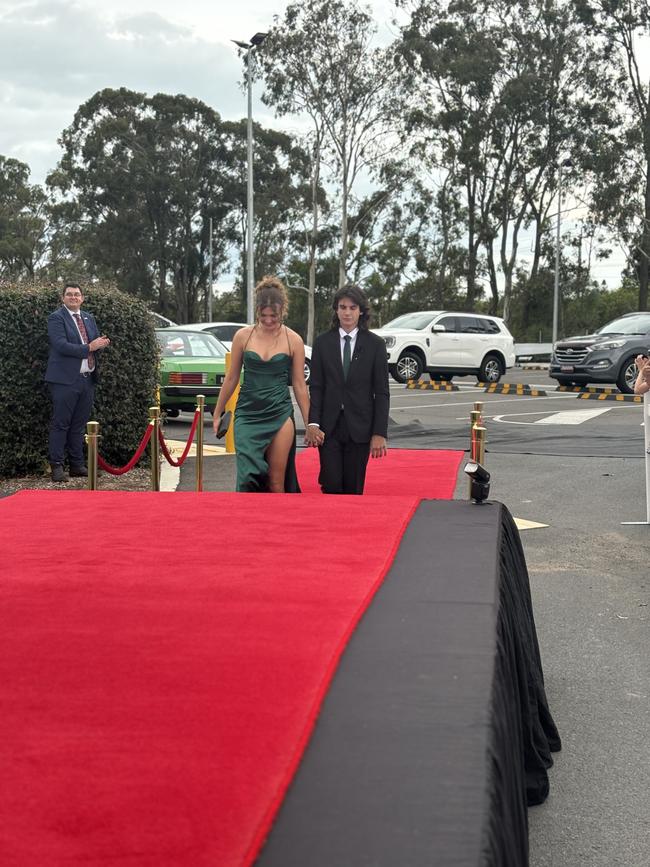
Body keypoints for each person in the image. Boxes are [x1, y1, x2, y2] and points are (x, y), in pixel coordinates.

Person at [212, 276, 315, 492]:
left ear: (282, 311)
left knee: (276, 481)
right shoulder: (242, 336)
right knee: (248, 476)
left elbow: (299, 385)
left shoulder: (293, 340)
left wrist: (310, 424)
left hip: (279, 413)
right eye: (264, 315)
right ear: (257, 311)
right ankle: (247, 522)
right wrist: (217, 412)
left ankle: (277, 524)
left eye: (274, 316)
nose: (268, 321)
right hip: (247, 414)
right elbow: (231, 378)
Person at [306, 284, 389, 494]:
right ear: (336, 310)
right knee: (331, 484)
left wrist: (379, 433)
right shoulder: (322, 343)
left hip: (361, 428)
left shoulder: (376, 345)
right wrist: (313, 423)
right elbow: (316, 387)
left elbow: (382, 393)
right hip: (328, 428)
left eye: (352, 307)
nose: (347, 312)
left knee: (353, 489)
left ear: (361, 311)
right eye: (342, 307)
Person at [44, 283, 110, 482]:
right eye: (69, 294)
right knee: (61, 424)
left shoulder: (88, 318)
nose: (73, 297)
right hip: (64, 381)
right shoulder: (56, 318)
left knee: (79, 425)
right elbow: (61, 345)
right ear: (63, 298)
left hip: (87, 379)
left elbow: (93, 346)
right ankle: (56, 466)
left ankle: (77, 465)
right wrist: (90, 346)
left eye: (77, 294)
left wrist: (99, 345)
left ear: (82, 298)